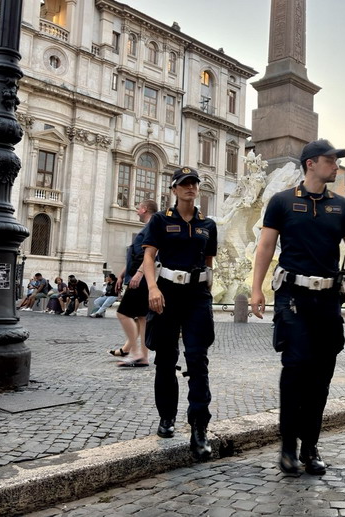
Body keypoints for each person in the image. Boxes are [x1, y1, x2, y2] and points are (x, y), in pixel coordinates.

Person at [250, 139, 345, 476]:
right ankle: (287, 446)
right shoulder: (281, 202)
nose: (337, 166)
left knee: (321, 376)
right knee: (296, 368)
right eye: (331, 160)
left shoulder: (342, 208)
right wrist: (256, 288)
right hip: (293, 298)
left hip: (329, 299)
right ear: (311, 163)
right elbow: (266, 246)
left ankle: (310, 445)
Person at [142, 167, 217, 459]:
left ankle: (199, 428)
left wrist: (208, 292)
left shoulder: (207, 225)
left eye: (194, 183)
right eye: (184, 184)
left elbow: (209, 261)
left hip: (197, 295)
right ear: (174, 190)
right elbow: (149, 257)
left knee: (198, 360)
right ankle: (167, 418)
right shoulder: (161, 220)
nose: (190, 187)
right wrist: (152, 289)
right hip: (166, 292)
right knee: (165, 358)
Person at [111, 199, 158, 367]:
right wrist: (122, 274)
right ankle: (143, 356)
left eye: (138, 208)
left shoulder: (152, 227)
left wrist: (138, 274)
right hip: (140, 277)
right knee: (143, 318)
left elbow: (151, 254)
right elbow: (135, 254)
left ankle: (135, 352)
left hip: (141, 279)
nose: (137, 211)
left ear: (144, 209)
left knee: (122, 313)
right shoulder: (148, 228)